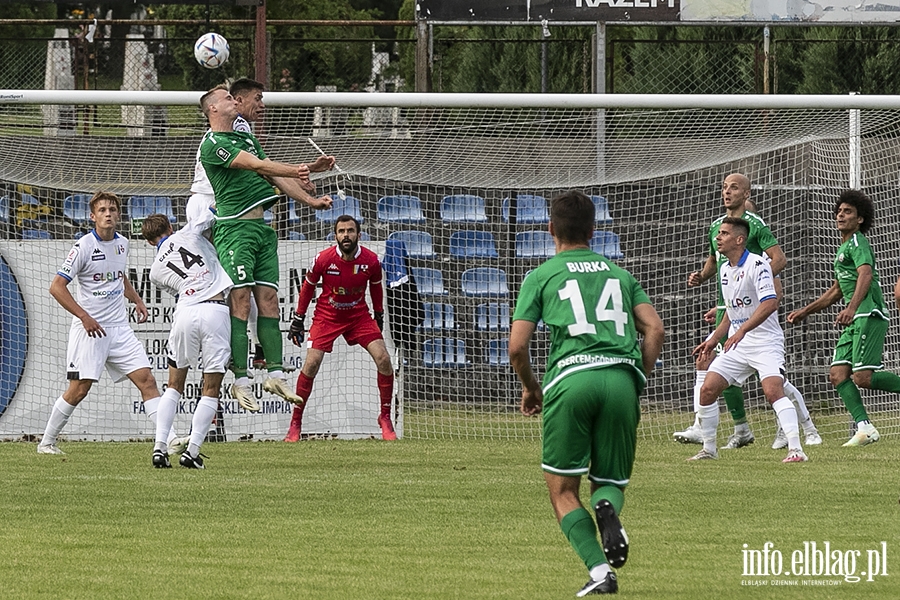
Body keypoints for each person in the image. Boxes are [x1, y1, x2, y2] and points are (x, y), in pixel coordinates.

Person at [509, 191, 664, 596]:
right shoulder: (620, 275)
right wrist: (636, 379)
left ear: (550, 229)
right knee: (609, 481)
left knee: (562, 490)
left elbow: (516, 347)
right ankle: (607, 507)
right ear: (594, 231)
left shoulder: (541, 275)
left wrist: (531, 388)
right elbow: (656, 329)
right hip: (620, 379)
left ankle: (599, 572)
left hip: (571, 381)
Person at [198, 86, 333, 412]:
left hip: (261, 230)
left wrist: (310, 198)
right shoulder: (213, 143)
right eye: (227, 98)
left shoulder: (245, 137)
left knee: (270, 301)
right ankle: (240, 381)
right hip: (234, 230)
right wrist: (304, 168)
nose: (234, 100)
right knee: (241, 304)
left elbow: (269, 169)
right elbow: (255, 165)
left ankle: (274, 375)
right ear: (213, 109)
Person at [37, 192, 183, 455]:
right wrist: (84, 317)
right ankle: (47, 442)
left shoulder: (123, 244)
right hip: (89, 330)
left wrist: (137, 299)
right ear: (93, 216)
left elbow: (118, 276)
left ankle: (169, 440)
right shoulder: (83, 247)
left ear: (118, 215)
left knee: (147, 380)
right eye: (102, 210)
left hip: (119, 328)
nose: (108, 213)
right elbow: (57, 287)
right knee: (79, 389)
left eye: (112, 209)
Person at [676, 173, 795, 449]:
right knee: (710, 362)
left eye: (734, 188)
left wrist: (754, 287)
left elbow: (779, 259)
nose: (727, 192)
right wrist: (701, 277)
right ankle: (735, 428)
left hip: (749, 308)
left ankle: (781, 428)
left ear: (746, 194)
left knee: (765, 377)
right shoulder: (717, 227)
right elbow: (713, 260)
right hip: (728, 305)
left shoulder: (754, 225)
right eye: (723, 187)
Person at [690, 218, 807, 463]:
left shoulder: (759, 265)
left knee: (773, 390)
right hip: (738, 343)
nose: (718, 238)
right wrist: (713, 340)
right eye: (718, 233)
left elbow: (770, 303)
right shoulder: (723, 269)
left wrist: (741, 330)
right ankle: (709, 449)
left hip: (765, 341)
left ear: (739, 239)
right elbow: (731, 312)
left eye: (724, 234)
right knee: (708, 388)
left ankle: (796, 450)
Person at [787, 190, 900, 446]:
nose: (840, 215)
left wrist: (851, 308)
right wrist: (806, 311)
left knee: (863, 378)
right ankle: (864, 427)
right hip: (855, 317)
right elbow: (836, 290)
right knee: (838, 374)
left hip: (867, 314)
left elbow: (866, 275)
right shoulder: (844, 247)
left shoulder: (859, 242)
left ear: (860, 218)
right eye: (839, 211)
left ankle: (865, 427)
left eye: (847, 211)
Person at [285, 215, 397, 441]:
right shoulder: (323, 259)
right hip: (327, 316)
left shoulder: (371, 260)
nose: (346, 235)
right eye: (342, 231)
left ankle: (385, 417)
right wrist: (298, 318)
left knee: (383, 359)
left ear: (359, 234)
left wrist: (379, 314)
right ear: (335, 235)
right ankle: (295, 423)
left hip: (358, 316)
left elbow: (376, 287)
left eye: (350, 231)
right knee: (311, 363)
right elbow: (307, 288)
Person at [142, 212, 233, 469]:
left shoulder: (155, 271)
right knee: (211, 387)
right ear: (171, 226)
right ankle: (192, 452)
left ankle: (160, 447)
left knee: (174, 385)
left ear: (150, 242)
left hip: (185, 312)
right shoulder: (189, 231)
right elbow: (214, 214)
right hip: (214, 308)